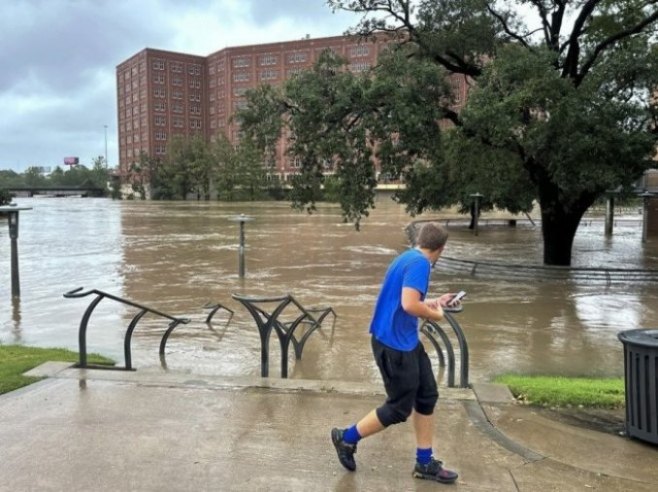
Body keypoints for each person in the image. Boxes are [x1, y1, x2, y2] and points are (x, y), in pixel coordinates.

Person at [331, 222, 459, 484]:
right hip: (395, 347)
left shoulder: (407, 257)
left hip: (405, 342)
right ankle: (346, 438)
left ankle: (425, 463)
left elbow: (405, 300)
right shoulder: (421, 264)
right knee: (399, 408)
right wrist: (437, 315)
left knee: (427, 396)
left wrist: (435, 302)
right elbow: (409, 304)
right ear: (441, 249)